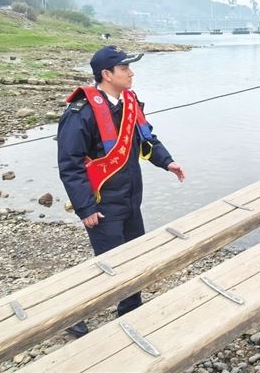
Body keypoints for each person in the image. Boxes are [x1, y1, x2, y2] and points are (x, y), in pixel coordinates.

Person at [57, 45, 185, 337]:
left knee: (135, 256)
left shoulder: (131, 102)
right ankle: (73, 315)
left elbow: (146, 139)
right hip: (101, 204)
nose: (131, 73)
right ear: (106, 74)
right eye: (125, 68)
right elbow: (70, 164)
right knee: (108, 264)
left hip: (130, 199)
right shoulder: (81, 112)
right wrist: (86, 208)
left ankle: (131, 310)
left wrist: (168, 162)